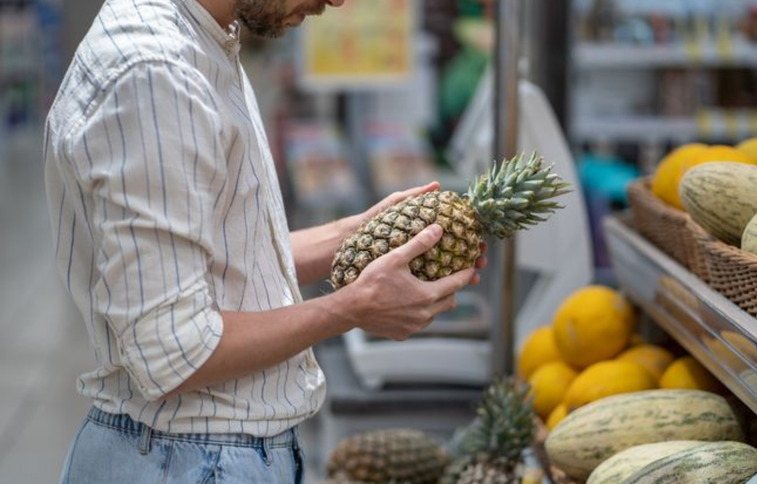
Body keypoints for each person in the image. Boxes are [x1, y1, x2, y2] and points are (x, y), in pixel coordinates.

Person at [45, 1, 487, 483]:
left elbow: (221, 264)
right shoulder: (157, 74)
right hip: (189, 462)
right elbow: (175, 350)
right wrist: (351, 308)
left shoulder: (200, 42)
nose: (337, 1)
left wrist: (357, 234)